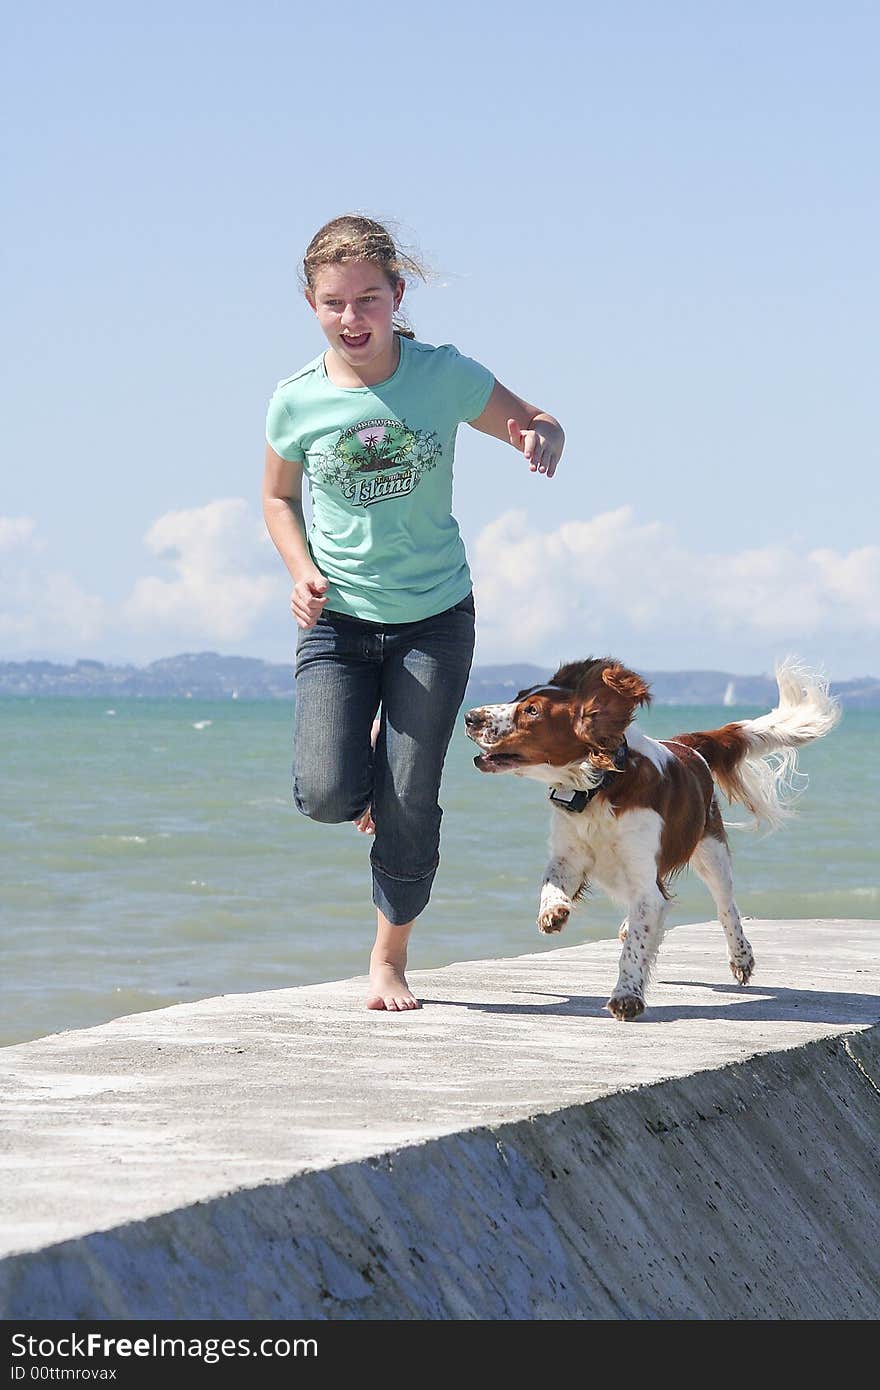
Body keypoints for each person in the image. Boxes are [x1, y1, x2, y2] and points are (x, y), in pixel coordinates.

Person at [262, 215, 564, 1012]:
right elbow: (277, 498)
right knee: (327, 793)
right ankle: (367, 769)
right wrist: (301, 572)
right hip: (338, 622)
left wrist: (539, 439)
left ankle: (389, 958)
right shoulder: (295, 402)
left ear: (397, 296)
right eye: (334, 303)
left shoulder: (442, 376)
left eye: (368, 299)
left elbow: (537, 420)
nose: (352, 318)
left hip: (434, 616)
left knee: (412, 792)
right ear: (311, 304)